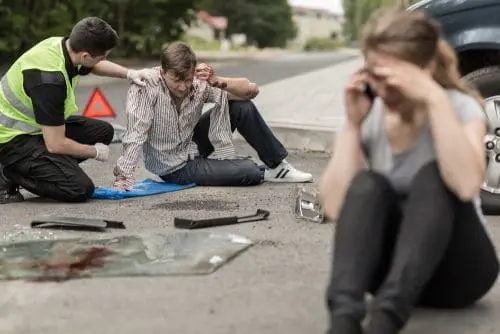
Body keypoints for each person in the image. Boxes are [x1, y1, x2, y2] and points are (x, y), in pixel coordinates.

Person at [318, 8, 499, 334]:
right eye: (374, 76)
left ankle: (385, 322)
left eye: (394, 78)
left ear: (426, 69)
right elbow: (333, 206)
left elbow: (467, 185)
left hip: (459, 273)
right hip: (387, 270)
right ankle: (342, 321)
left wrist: (434, 98)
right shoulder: (368, 109)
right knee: (368, 183)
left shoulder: (460, 106)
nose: (384, 90)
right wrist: (352, 127)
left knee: (435, 178)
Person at [112, 41, 312, 190]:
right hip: (173, 166)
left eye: (187, 80)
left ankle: (278, 166)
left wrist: (217, 80)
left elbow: (251, 90)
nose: (183, 87)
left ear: (193, 72)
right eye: (176, 80)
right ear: (163, 72)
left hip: (192, 144)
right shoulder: (146, 87)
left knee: (241, 106)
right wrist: (124, 178)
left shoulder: (198, 81)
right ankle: (244, 167)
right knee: (248, 172)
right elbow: (136, 134)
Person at [0, 16, 152, 204]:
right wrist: (93, 152)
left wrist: (130, 74)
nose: (105, 59)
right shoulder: (49, 81)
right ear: (86, 56)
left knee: (103, 132)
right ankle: (9, 172)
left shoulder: (64, 46)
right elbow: (55, 144)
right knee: (79, 188)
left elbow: (95, 65)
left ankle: (48, 168)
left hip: (34, 128)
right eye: (103, 56)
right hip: (10, 141)